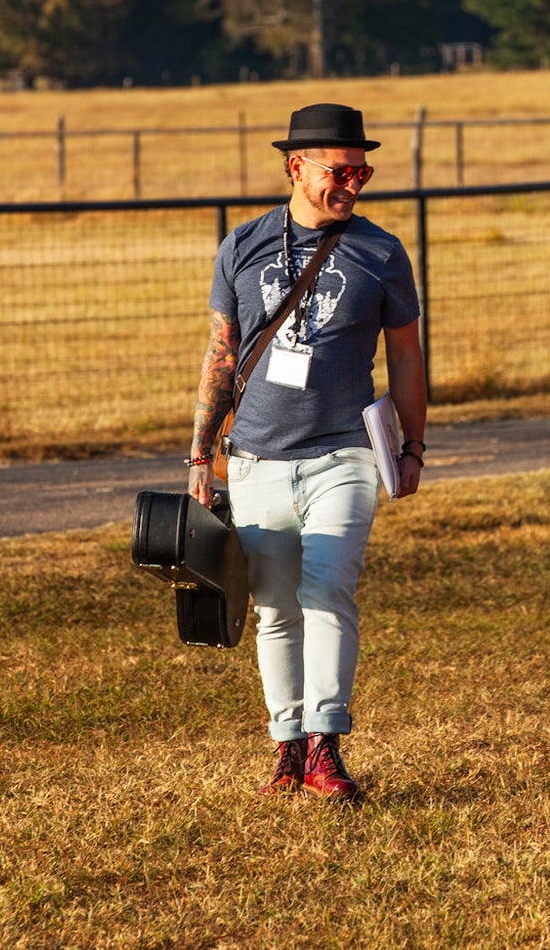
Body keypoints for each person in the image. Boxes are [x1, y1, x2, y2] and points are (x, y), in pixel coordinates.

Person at [187, 102, 427, 804]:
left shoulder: (381, 253)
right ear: (297, 167)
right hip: (257, 456)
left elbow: (407, 357)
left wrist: (412, 446)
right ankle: (286, 747)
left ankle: (326, 744)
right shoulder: (243, 245)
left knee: (327, 589)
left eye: (362, 170)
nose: (353, 183)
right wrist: (202, 454)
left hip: (344, 453)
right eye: (339, 170)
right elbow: (221, 353)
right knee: (273, 607)